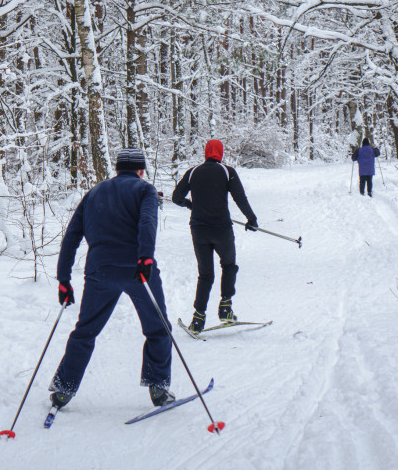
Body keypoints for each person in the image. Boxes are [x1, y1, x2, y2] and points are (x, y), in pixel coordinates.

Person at [49, 148, 175, 411]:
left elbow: (71, 236)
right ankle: (158, 387)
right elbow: (147, 222)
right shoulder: (145, 190)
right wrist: (145, 258)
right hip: (137, 270)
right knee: (158, 326)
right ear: (140, 170)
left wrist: (63, 279)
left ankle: (63, 390)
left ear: (117, 169)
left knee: (85, 331)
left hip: (99, 272)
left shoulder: (94, 192)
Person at [171, 139, 258, 334]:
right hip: (221, 230)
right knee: (229, 266)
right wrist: (251, 219)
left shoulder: (193, 172)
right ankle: (225, 308)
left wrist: (190, 205)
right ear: (221, 153)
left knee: (205, 274)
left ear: (205, 153)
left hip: (199, 230)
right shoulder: (227, 172)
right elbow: (240, 198)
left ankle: (198, 320)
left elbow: (176, 197)